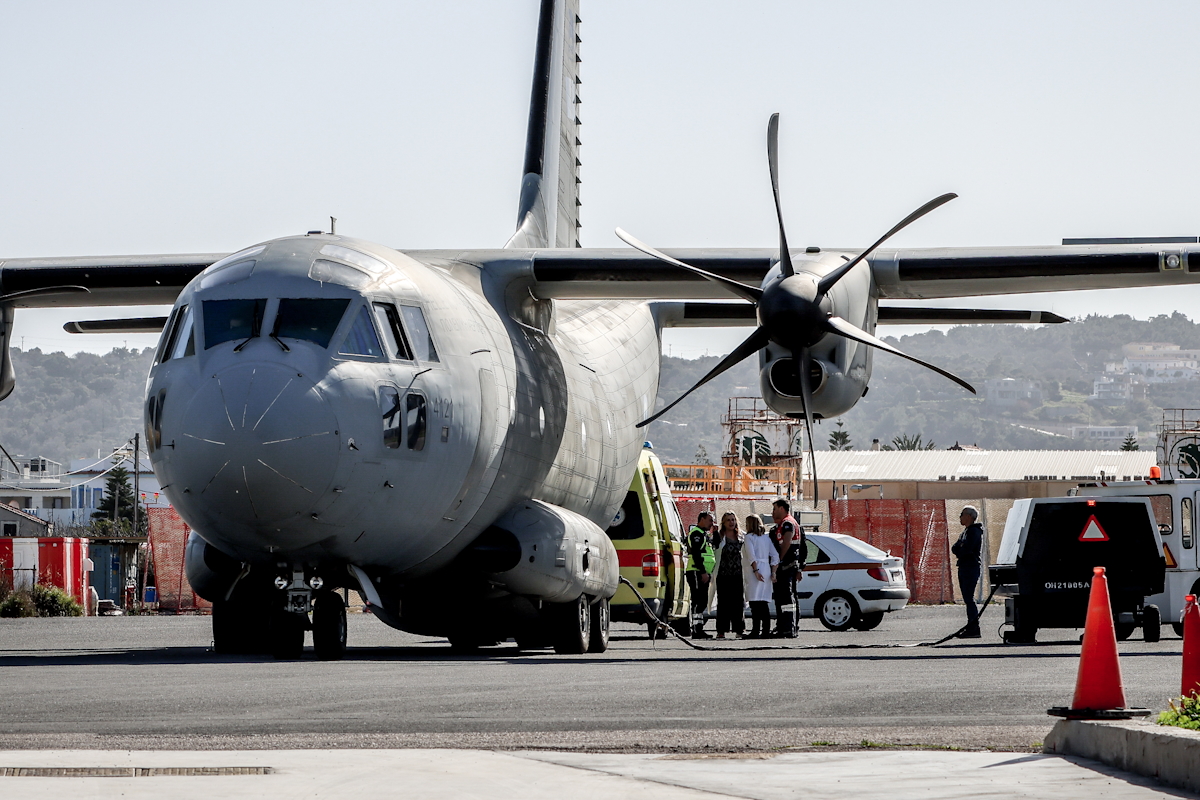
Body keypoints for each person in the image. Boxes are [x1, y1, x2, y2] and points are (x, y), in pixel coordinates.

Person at [770, 499, 805, 637]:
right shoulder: (786, 523)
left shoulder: (787, 523)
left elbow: (787, 541)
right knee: (787, 597)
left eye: (774, 509)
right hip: (789, 565)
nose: (772, 513)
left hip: (786, 566)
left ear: (782, 509)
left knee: (786, 598)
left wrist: (778, 559)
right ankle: (787, 626)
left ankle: (787, 628)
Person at [707, 512, 745, 639]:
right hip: (723, 575)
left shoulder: (741, 536)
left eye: (733, 519)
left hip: (738, 575)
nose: (731, 522)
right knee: (723, 604)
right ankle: (721, 630)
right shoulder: (719, 536)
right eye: (728, 520)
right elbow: (713, 549)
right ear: (723, 522)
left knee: (738, 603)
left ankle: (739, 630)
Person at [742, 515, 777, 638]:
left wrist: (755, 570)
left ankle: (755, 630)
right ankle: (765, 630)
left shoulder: (749, 538)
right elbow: (775, 556)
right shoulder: (766, 538)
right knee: (764, 601)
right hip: (766, 569)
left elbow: (751, 556)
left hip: (754, 570)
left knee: (754, 601)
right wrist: (773, 572)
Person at [952, 505, 983, 638]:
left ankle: (974, 628)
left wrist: (961, 548)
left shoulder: (973, 532)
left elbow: (966, 550)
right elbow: (955, 548)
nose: (960, 517)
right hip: (964, 567)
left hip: (971, 567)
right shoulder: (965, 532)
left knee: (969, 598)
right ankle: (971, 626)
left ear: (969, 516)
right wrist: (960, 548)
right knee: (967, 598)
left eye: (962, 514)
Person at [686, 511, 716, 638]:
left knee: (702, 601)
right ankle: (696, 630)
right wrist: (703, 572)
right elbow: (697, 554)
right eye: (710, 520)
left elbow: (714, 547)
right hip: (696, 571)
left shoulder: (704, 534)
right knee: (698, 601)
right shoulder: (696, 534)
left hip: (703, 572)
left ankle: (698, 628)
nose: (712, 523)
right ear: (702, 519)